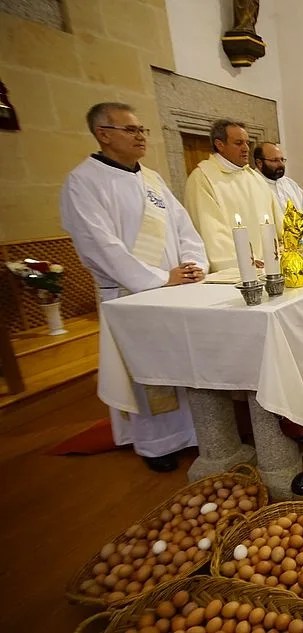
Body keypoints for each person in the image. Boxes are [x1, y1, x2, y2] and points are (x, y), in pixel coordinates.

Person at [61, 102, 208, 472]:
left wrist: (194, 265)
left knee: (179, 365)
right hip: (130, 295)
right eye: (131, 130)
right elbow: (99, 244)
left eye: (142, 129)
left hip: (174, 291)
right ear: (103, 134)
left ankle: (193, 434)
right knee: (147, 373)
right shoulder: (83, 181)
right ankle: (156, 445)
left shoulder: (152, 180)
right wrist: (158, 278)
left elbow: (184, 228)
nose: (141, 136)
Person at [184, 119, 280, 272]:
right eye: (238, 143)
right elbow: (212, 231)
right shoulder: (202, 178)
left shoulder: (254, 178)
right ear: (220, 145)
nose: (246, 148)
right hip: (237, 272)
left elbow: (278, 221)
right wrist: (245, 261)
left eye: (247, 143)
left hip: (271, 266)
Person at [253, 142, 303, 242]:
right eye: (274, 160)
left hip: (302, 244)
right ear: (260, 163)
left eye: (282, 160)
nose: (281, 164)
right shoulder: (253, 185)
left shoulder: (290, 185)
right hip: (274, 246)